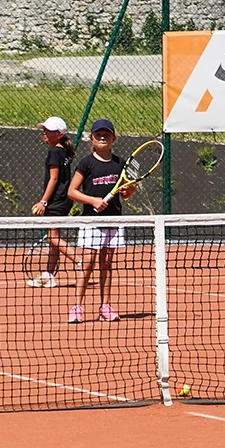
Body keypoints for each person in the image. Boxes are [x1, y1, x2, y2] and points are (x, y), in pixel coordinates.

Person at [66, 118, 133, 324]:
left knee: (106, 263)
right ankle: (77, 307)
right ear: (92, 139)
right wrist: (93, 200)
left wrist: (128, 190)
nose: (102, 137)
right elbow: (72, 191)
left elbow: (128, 191)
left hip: (113, 220)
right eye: (98, 135)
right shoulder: (86, 163)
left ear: (114, 138)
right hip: (91, 221)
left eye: (106, 134)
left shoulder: (121, 164)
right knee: (87, 263)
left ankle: (105, 306)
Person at [27, 115, 76, 288]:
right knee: (53, 239)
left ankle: (81, 261)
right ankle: (49, 275)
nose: (45, 133)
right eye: (44, 130)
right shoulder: (63, 152)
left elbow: (53, 179)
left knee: (52, 238)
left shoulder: (55, 152)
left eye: (49, 131)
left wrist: (43, 202)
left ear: (59, 134)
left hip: (56, 201)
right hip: (64, 201)